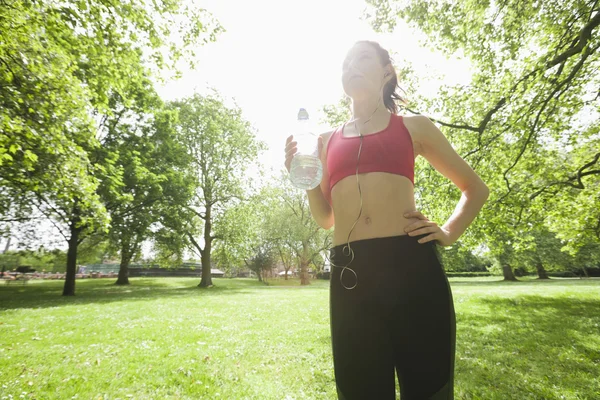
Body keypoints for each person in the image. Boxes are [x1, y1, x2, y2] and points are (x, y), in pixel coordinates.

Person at [284, 40, 489, 399]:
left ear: (386, 71)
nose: (351, 66)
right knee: (361, 390)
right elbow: (326, 218)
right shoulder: (325, 141)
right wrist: (306, 178)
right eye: (346, 61)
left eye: (362, 58)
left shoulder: (414, 127)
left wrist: (448, 232)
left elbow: (475, 188)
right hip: (351, 275)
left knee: (428, 387)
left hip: (412, 268)